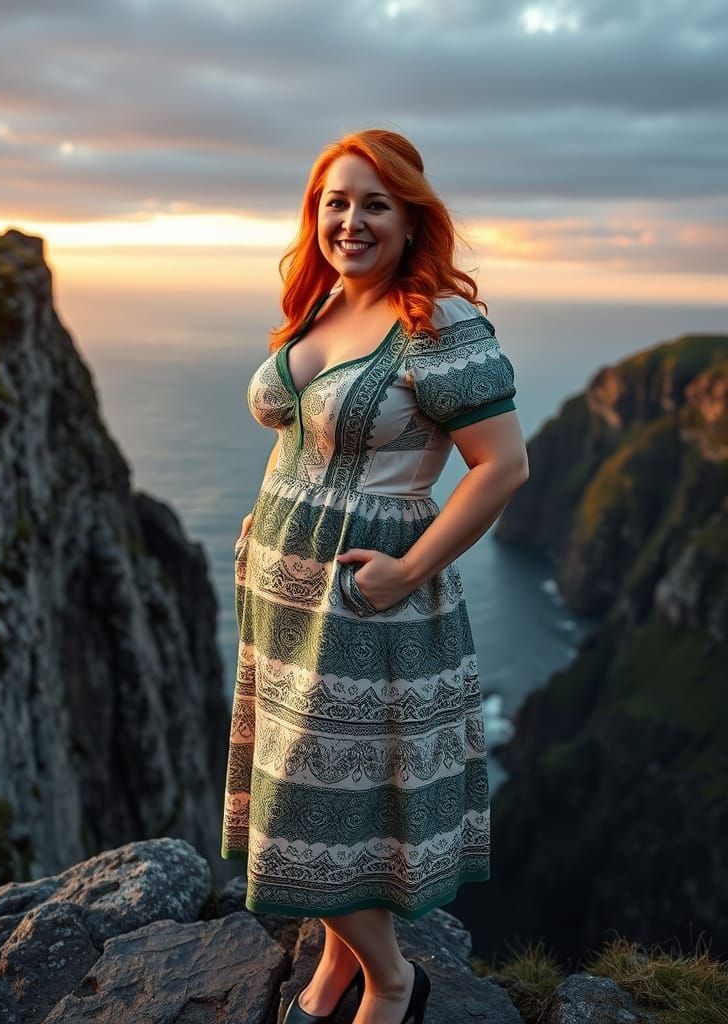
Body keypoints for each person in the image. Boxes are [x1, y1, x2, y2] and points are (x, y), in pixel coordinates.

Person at [221, 128, 529, 1024]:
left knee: (310, 806)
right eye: (335, 202)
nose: (351, 221)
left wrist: (404, 573)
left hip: (363, 597)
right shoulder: (322, 304)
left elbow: (502, 467)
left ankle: (393, 978)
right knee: (324, 791)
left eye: (374, 204)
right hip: (282, 595)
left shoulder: (439, 325)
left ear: (410, 217)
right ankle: (332, 963)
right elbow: (297, 436)